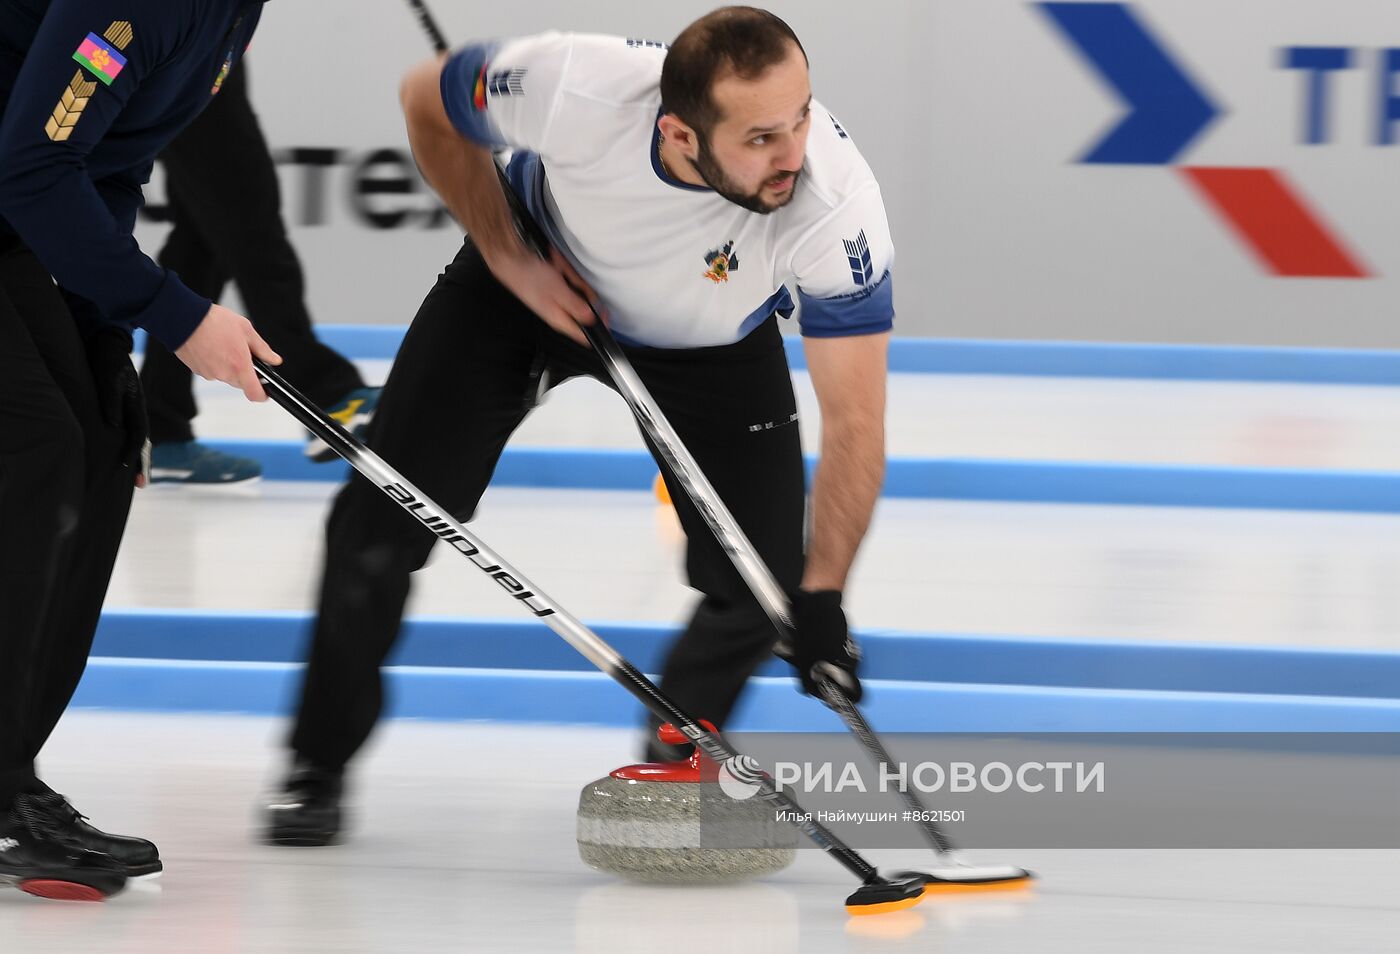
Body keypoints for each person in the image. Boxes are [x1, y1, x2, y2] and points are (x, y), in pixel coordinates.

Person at [263, 6, 892, 847]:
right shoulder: (581, 85)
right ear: (678, 133)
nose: (792, 154)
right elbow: (426, 97)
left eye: (802, 117)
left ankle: (678, 749)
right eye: (759, 137)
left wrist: (823, 598)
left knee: (766, 590)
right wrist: (506, 256)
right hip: (529, 288)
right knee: (375, 527)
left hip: (709, 339)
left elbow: (856, 421)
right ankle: (318, 761)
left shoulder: (834, 202)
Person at [0, 0, 278, 900]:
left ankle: (8, 779)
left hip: (14, 206)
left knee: (104, 435)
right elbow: (36, 166)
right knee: (36, 445)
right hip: (13, 187)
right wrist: (176, 314)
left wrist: (107, 321)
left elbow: (110, 162)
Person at [141, 64, 381, 486]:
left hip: (204, 40)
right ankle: (326, 395)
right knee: (245, 213)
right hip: (186, 38)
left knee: (203, 231)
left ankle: (160, 426)